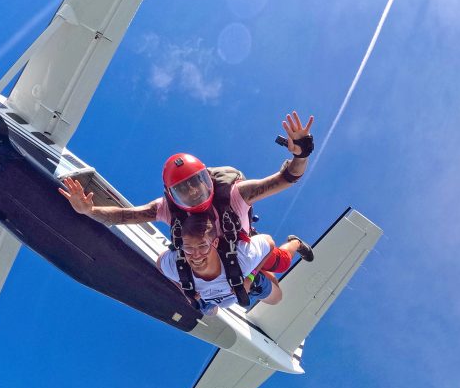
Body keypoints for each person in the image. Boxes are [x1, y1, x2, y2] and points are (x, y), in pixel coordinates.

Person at [59, 111, 316, 288]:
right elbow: (125, 216)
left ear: (209, 180)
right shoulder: (167, 208)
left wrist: (301, 153)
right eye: (184, 190)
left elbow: (285, 179)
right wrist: (88, 210)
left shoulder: (235, 193)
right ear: (171, 195)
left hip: (239, 250)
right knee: (185, 276)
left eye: (198, 184)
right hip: (204, 257)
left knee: (279, 263)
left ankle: (293, 243)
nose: (194, 193)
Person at [156, 213, 307, 314]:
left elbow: (269, 242)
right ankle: (256, 269)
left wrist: (250, 278)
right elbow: (160, 264)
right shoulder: (176, 266)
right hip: (219, 294)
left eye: (202, 246)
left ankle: (296, 243)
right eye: (188, 248)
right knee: (207, 311)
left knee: (277, 294)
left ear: (214, 243)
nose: (195, 255)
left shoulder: (243, 258)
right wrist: (184, 290)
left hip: (240, 274)